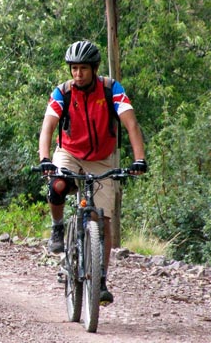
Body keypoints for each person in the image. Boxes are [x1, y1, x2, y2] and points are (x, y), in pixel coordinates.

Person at [38, 40, 147, 304]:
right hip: (70, 153)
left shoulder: (111, 89)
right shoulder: (62, 92)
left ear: (94, 69)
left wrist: (139, 159)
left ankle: (100, 280)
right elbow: (47, 128)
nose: (77, 74)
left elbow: (131, 124)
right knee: (58, 187)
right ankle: (57, 227)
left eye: (83, 69)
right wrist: (45, 159)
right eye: (74, 69)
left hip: (102, 158)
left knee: (103, 220)